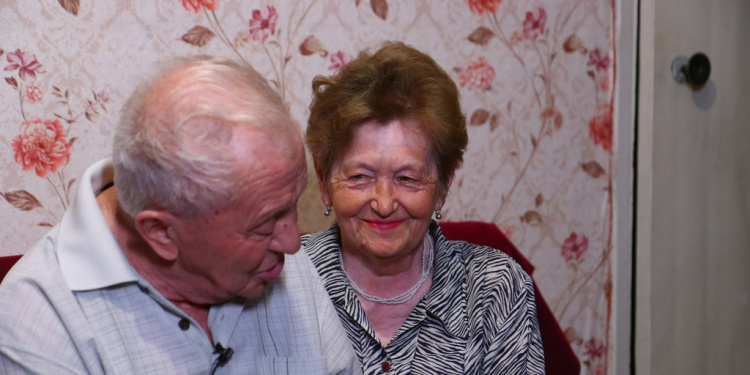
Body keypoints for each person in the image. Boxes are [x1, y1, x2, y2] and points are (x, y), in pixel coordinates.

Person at [0, 56, 360, 375]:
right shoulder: (40, 322)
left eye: (293, 205)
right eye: (263, 226)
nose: (293, 242)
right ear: (161, 233)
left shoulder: (273, 250)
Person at [303, 42, 545, 374]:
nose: (384, 204)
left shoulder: (495, 287)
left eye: (407, 178)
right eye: (359, 176)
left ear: (443, 185)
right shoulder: (282, 280)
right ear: (323, 181)